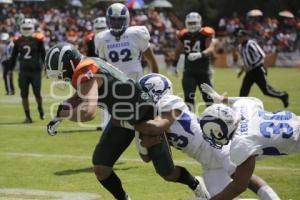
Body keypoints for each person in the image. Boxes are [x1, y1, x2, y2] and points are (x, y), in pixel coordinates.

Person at [45, 42, 206, 200]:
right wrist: (62, 111)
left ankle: (195, 183)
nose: (63, 78)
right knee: (101, 167)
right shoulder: (87, 65)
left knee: (167, 172)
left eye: (62, 73)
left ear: (70, 64)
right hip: (121, 118)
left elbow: (88, 113)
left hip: (144, 115)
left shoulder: (86, 71)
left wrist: (66, 114)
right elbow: (81, 95)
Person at [119, 73, 280, 199]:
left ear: (155, 90)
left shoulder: (169, 101)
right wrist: (145, 141)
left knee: (241, 177)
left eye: (142, 93)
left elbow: (160, 126)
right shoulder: (147, 119)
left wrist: (131, 124)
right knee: (222, 196)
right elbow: (146, 158)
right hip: (206, 161)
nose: (139, 98)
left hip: (215, 144)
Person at [198, 83, 299, 200]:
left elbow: (239, 186)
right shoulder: (243, 108)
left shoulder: (241, 143)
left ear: (219, 131)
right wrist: (222, 99)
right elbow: (253, 100)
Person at [94, 3, 159, 82]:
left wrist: (156, 80)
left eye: (120, 19)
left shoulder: (135, 34)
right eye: (113, 19)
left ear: (126, 19)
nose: (116, 23)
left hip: (135, 81)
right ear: (108, 20)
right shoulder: (101, 38)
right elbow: (102, 66)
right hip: (114, 82)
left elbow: (151, 60)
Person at [233, 28, 289, 108]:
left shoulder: (251, 44)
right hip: (249, 72)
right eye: (238, 37)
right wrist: (241, 71)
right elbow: (245, 60)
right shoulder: (240, 47)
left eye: (241, 37)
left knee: (266, 91)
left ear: (246, 36)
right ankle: (241, 109)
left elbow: (261, 55)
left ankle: (283, 95)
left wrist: (252, 65)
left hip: (257, 70)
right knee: (243, 92)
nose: (239, 38)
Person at [171, 12, 215, 110]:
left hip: (203, 71)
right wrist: (174, 65)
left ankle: (213, 118)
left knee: (208, 97)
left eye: (194, 23)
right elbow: (177, 50)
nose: (192, 25)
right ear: (186, 23)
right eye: (190, 23)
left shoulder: (205, 34)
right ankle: (190, 119)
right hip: (189, 71)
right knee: (188, 97)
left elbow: (211, 48)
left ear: (199, 22)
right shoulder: (183, 34)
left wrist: (200, 54)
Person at [10, 18, 46, 123]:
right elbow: (14, 56)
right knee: (24, 94)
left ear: (32, 28)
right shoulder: (18, 41)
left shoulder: (38, 40)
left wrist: (47, 68)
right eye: (25, 28)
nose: (26, 29)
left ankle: (40, 108)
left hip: (35, 71)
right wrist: (11, 69)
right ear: (21, 28)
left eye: (28, 28)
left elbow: (43, 55)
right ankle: (28, 116)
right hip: (23, 71)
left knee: (37, 93)